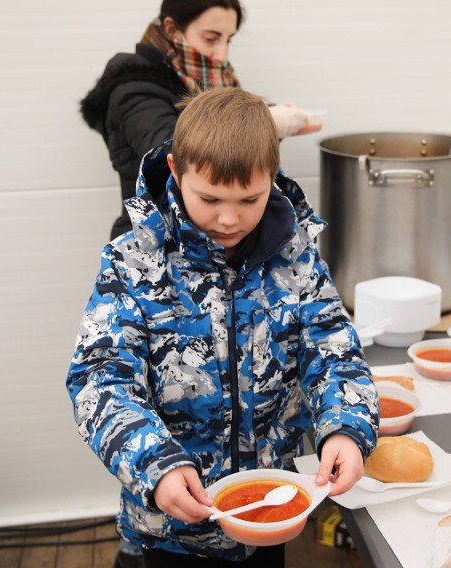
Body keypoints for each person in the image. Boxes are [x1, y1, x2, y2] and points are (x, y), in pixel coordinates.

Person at [66, 87, 378, 567]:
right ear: (175, 170)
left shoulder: (296, 259)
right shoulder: (133, 263)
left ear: (271, 178)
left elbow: (333, 353)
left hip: (270, 511)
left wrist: (346, 429)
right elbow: (100, 382)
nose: (229, 218)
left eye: (249, 199)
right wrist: (156, 466)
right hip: (172, 529)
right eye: (209, 198)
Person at [80, 0, 314, 240]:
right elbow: (167, 151)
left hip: (214, 243)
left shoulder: (203, 80)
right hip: (154, 242)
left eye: (228, 39)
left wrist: (261, 125)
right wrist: (268, 122)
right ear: (172, 29)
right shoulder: (134, 88)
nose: (222, 53)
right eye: (211, 38)